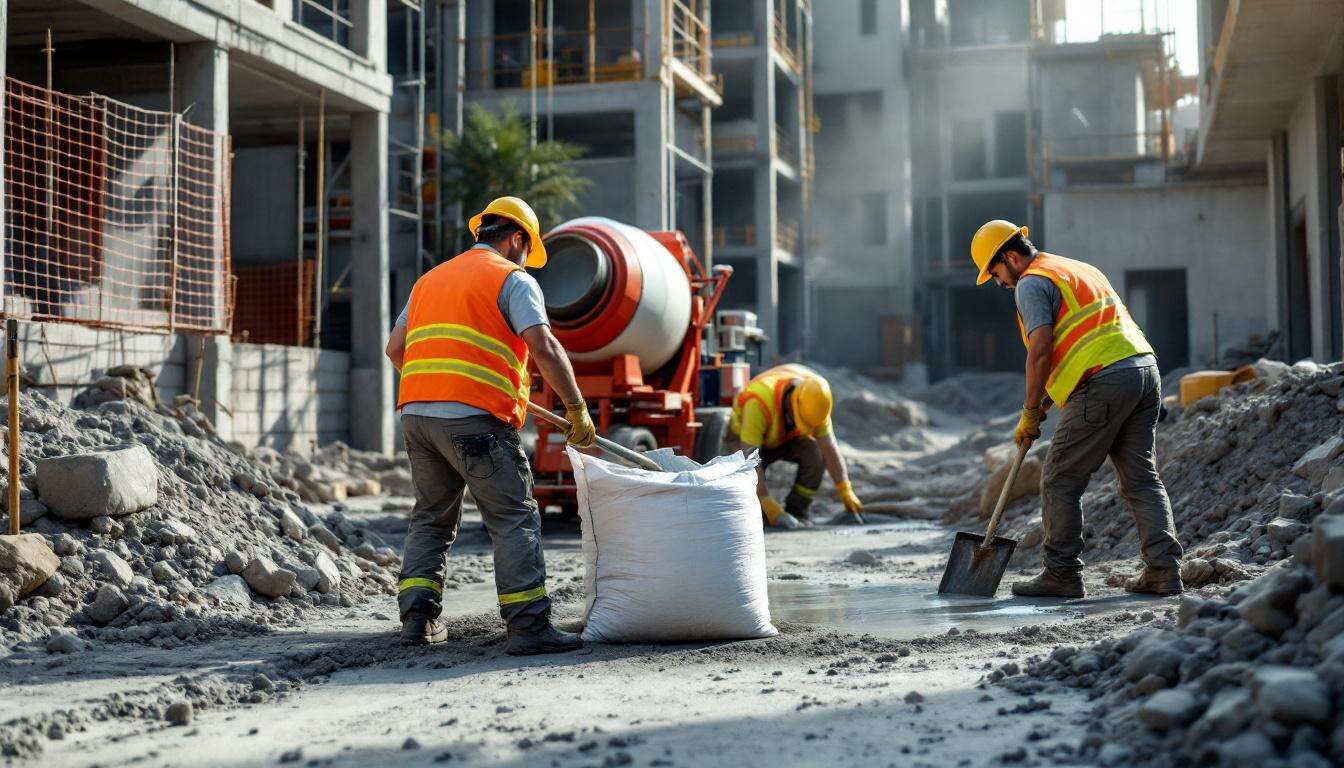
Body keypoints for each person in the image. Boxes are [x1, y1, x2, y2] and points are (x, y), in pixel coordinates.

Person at [385, 196, 597, 653]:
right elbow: (544, 346)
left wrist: (439, 382)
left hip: (418, 416)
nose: (527, 260)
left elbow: (394, 349)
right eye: (528, 249)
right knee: (512, 518)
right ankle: (529, 627)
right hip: (475, 420)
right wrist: (576, 407)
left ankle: (417, 622)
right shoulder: (511, 279)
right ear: (518, 238)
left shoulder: (429, 280)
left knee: (431, 518)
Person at [970, 219, 1183, 598]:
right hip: (1143, 370)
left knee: (1059, 480)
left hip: (1103, 380)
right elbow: (1083, 339)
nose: (1000, 283)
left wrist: (1031, 411)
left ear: (1010, 257)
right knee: (1141, 478)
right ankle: (1164, 571)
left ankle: (1062, 574)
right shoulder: (1078, 269)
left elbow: (1041, 351)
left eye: (996, 272)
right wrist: (1050, 399)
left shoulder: (1032, 283)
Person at [729, 364, 863, 528]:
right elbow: (749, 459)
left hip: (780, 438)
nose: (806, 426)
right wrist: (764, 499)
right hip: (743, 443)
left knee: (815, 453)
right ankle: (761, 513)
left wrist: (845, 489)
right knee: (741, 480)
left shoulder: (816, 404)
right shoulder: (759, 402)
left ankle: (797, 511)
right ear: (794, 401)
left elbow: (829, 449)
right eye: (802, 421)